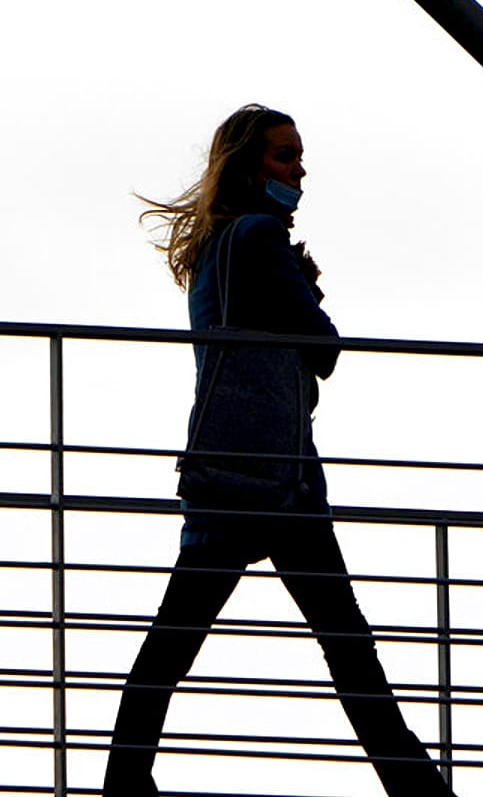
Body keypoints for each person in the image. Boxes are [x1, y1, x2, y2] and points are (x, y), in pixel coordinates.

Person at [105, 104, 455, 797]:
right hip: (279, 477)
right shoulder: (261, 236)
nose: (299, 171)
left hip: (227, 468)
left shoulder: (215, 247)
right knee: (348, 647)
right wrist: (307, 294)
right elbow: (323, 348)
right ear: (249, 166)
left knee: (176, 639)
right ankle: (419, 790)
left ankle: (125, 777)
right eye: (284, 156)